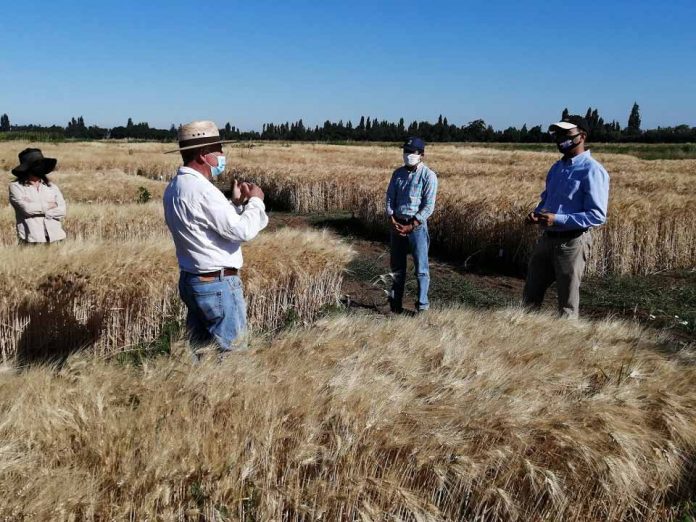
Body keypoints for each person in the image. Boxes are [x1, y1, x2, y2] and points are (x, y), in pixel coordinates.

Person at [163, 120, 268, 354]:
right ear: (202, 154)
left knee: (202, 354)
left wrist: (236, 205)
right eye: (218, 149)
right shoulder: (203, 190)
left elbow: (210, 230)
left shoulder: (175, 187)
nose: (222, 154)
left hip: (193, 281)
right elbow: (243, 232)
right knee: (232, 356)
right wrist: (256, 201)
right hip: (217, 284)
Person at [523, 115, 610, 319]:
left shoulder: (592, 171)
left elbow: (597, 215)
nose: (560, 138)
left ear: (582, 136)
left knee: (567, 304)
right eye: (558, 133)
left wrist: (558, 219)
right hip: (546, 240)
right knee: (529, 296)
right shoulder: (557, 168)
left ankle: (567, 345)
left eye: (566, 134)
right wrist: (537, 214)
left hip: (572, 243)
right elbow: (547, 199)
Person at [385, 137, 438, 313]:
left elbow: (428, 206)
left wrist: (412, 224)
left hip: (417, 229)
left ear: (421, 154)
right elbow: (390, 197)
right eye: (406, 151)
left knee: (421, 269)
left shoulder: (428, 176)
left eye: (412, 152)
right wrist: (392, 218)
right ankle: (395, 304)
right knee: (397, 268)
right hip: (397, 225)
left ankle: (422, 306)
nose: (408, 155)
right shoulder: (397, 174)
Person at [9, 148, 66, 244]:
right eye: (37, 164)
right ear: (27, 168)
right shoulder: (16, 187)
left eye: (42, 164)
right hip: (32, 240)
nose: (41, 167)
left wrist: (38, 208)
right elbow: (27, 209)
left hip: (56, 238)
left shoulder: (51, 187)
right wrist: (50, 205)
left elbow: (63, 210)